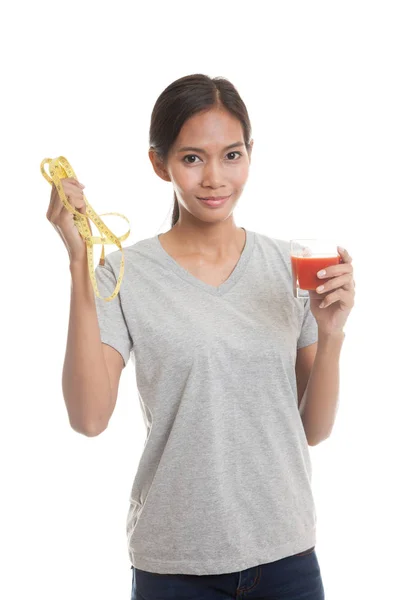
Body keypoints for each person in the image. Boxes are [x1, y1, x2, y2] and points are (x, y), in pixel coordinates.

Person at [47, 73, 355, 600]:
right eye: (192, 158)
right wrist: (79, 260)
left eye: (231, 155)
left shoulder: (291, 266)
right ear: (159, 163)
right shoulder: (125, 274)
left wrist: (331, 335)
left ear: (250, 154)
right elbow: (89, 418)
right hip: (174, 567)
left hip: (288, 559)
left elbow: (314, 430)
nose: (215, 177)